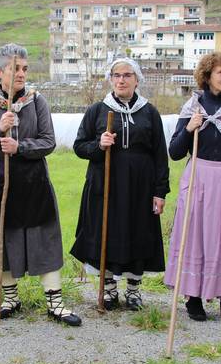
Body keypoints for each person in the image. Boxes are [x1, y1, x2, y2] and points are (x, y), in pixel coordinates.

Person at [0, 43, 81, 326]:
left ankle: (55, 302)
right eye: (15, 69)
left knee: (43, 238)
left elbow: (48, 141)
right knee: (2, 239)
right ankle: (10, 298)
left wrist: (19, 147)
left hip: (32, 183)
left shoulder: (36, 101)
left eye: (24, 69)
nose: (21, 74)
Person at [164, 52, 221, 323]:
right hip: (199, 178)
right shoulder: (193, 107)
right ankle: (193, 297)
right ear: (207, 77)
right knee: (194, 235)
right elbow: (175, 152)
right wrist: (190, 129)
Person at [71, 58, 170, 311]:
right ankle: (109, 290)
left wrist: (160, 191)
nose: (121, 80)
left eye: (127, 75)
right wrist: (99, 145)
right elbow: (79, 147)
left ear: (137, 80)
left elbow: (160, 154)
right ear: (111, 79)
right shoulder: (97, 110)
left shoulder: (150, 113)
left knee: (137, 233)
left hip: (139, 188)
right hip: (104, 187)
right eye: (116, 75)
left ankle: (134, 291)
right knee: (106, 233)